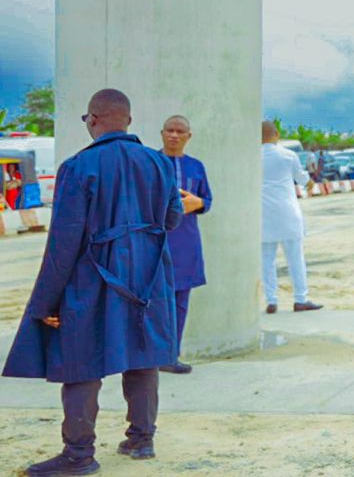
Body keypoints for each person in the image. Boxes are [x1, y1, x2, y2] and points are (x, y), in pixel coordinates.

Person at [3, 89, 184, 475]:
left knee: (81, 363)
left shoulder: (78, 167)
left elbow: (64, 242)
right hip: (147, 278)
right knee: (143, 356)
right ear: (129, 122)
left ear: (93, 119)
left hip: (93, 279)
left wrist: (46, 304)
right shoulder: (159, 163)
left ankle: (79, 455)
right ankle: (142, 439)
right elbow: (171, 220)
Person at [155, 115, 213, 373]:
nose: (174, 135)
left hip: (186, 243)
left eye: (180, 131)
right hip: (156, 243)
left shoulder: (196, 167)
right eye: (170, 130)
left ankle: (170, 356)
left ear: (189, 136)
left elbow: (207, 200)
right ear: (162, 133)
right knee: (155, 302)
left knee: (180, 302)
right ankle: (149, 356)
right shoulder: (150, 163)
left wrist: (198, 203)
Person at [260, 121, 322, 314]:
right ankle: (300, 299)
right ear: (277, 134)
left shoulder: (251, 157)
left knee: (266, 259)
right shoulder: (288, 155)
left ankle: (271, 301)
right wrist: (310, 184)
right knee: (295, 258)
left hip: (263, 214)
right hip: (287, 213)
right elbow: (302, 178)